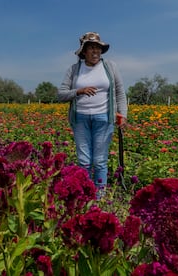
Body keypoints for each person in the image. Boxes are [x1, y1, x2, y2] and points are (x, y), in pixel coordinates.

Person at [57, 31, 128, 196]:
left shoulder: (110, 67)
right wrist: (79, 91)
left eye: (98, 48)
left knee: (100, 160)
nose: (96, 51)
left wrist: (123, 114)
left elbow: (119, 92)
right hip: (80, 118)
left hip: (104, 118)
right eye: (91, 48)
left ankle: (100, 197)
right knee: (84, 160)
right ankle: (85, 196)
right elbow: (61, 94)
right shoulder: (74, 69)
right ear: (84, 51)